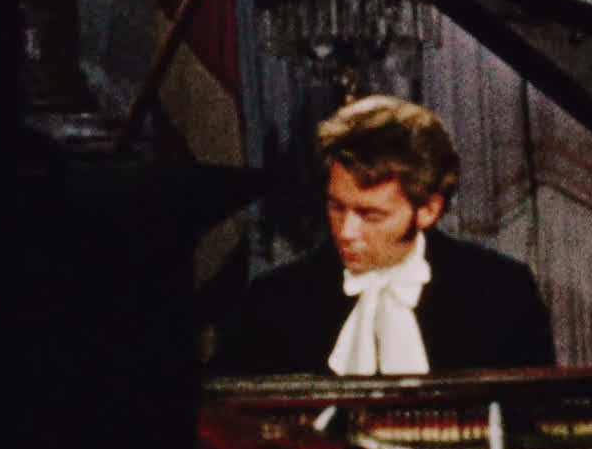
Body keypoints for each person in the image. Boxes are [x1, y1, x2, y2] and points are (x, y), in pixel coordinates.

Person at [214, 95, 556, 376]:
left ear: (428, 211)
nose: (346, 232)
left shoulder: (501, 293)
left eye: (370, 215)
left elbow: (536, 427)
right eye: (336, 207)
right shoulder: (273, 302)